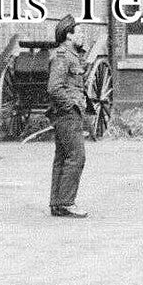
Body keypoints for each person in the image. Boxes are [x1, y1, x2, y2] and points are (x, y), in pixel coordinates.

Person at [48, 14, 90, 217]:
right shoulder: (62, 56)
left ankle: (57, 203)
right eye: (80, 32)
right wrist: (71, 106)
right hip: (67, 114)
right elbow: (54, 88)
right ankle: (66, 203)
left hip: (66, 114)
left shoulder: (72, 55)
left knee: (62, 157)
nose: (83, 35)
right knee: (76, 157)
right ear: (69, 35)